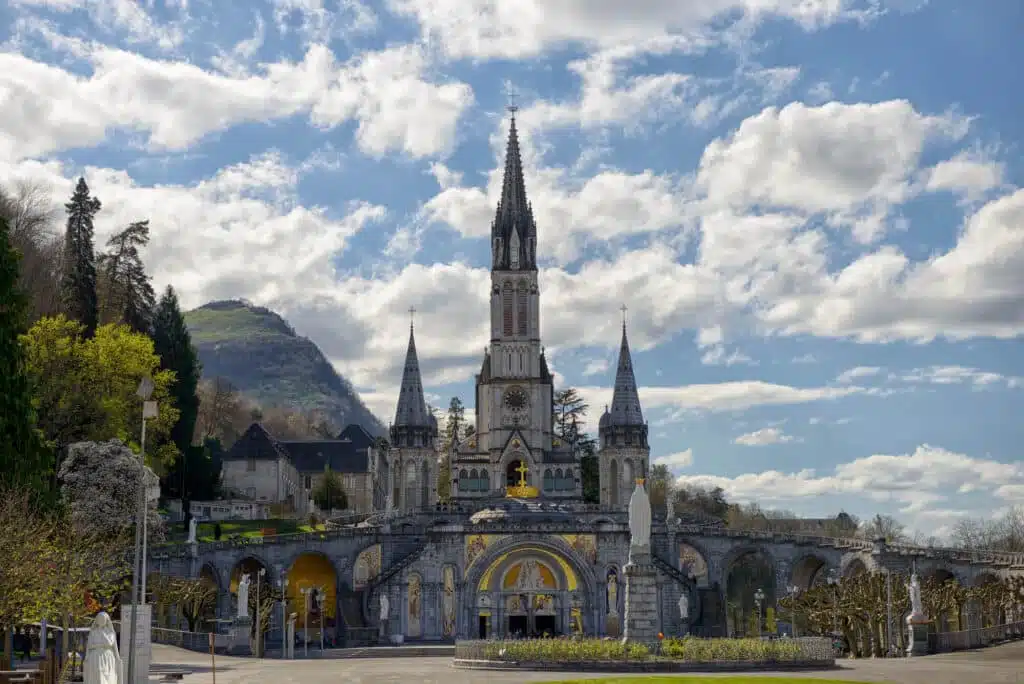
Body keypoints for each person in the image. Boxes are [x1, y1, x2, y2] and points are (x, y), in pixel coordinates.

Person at [83, 612, 121, 684]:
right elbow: (90, 645)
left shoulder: (110, 632)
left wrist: (102, 632)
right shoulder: (93, 632)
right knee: (97, 674)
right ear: (96, 621)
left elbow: (109, 643)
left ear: (107, 621)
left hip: (107, 656)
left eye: (103, 619)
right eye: (99, 619)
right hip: (95, 657)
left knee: (106, 675)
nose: (101, 621)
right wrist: (101, 645)